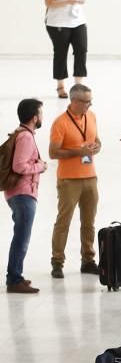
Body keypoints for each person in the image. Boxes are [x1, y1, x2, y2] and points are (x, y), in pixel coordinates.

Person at [48, 83, 101, 279]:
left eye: (90, 101)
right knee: (64, 222)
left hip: (90, 177)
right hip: (69, 180)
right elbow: (53, 153)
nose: (89, 105)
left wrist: (96, 147)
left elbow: (97, 140)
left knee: (89, 222)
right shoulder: (60, 122)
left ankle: (88, 260)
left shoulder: (92, 116)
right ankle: (57, 261)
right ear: (74, 101)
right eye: (86, 102)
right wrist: (78, 152)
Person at [5, 98, 46, 293]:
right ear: (34, 117)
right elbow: (19, 166)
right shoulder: (26, 137)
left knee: (21, 236)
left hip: (18, 193)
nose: (42, 117)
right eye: (41, 113)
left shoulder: (21, 134)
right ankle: (14, 280)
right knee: (21, 237)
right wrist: (41, 166)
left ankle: (16, 276)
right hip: (23, 193)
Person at [44, 0, 88, 98]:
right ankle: (60, 86)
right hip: (58, 24)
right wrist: (67, 2)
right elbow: (49, 2)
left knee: (81, 49)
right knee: (61, 53)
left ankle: (78, 85)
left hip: (77, 21)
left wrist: (81, 0)